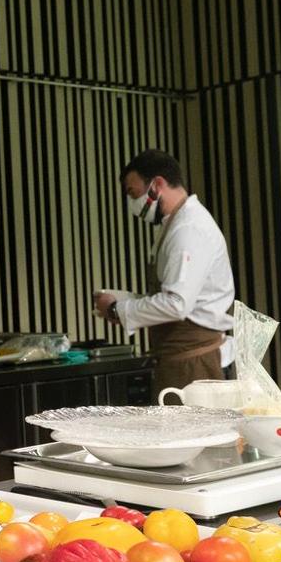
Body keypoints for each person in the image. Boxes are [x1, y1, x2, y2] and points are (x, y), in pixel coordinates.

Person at [94, 149, 236, 397]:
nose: (131, 202)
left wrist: (119, 309)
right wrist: (126, 301)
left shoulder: (189, 229)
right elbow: (173, 296)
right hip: (180, 361)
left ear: (157, 184)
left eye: (133, 193)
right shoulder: (173, 225)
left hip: (197, 365)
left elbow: (176, 304)